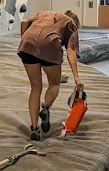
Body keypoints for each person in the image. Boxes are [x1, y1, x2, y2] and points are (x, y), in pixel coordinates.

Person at [18, 10, 83, 141]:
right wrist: (76, 77)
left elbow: (24, 21)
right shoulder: (71, 24)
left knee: (35, 87)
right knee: (54, 83)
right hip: (49, 44)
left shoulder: (44, 14)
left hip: (27, 43)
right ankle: (46, 107)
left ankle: (34, 128)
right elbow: (70, 50)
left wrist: (26, 40)